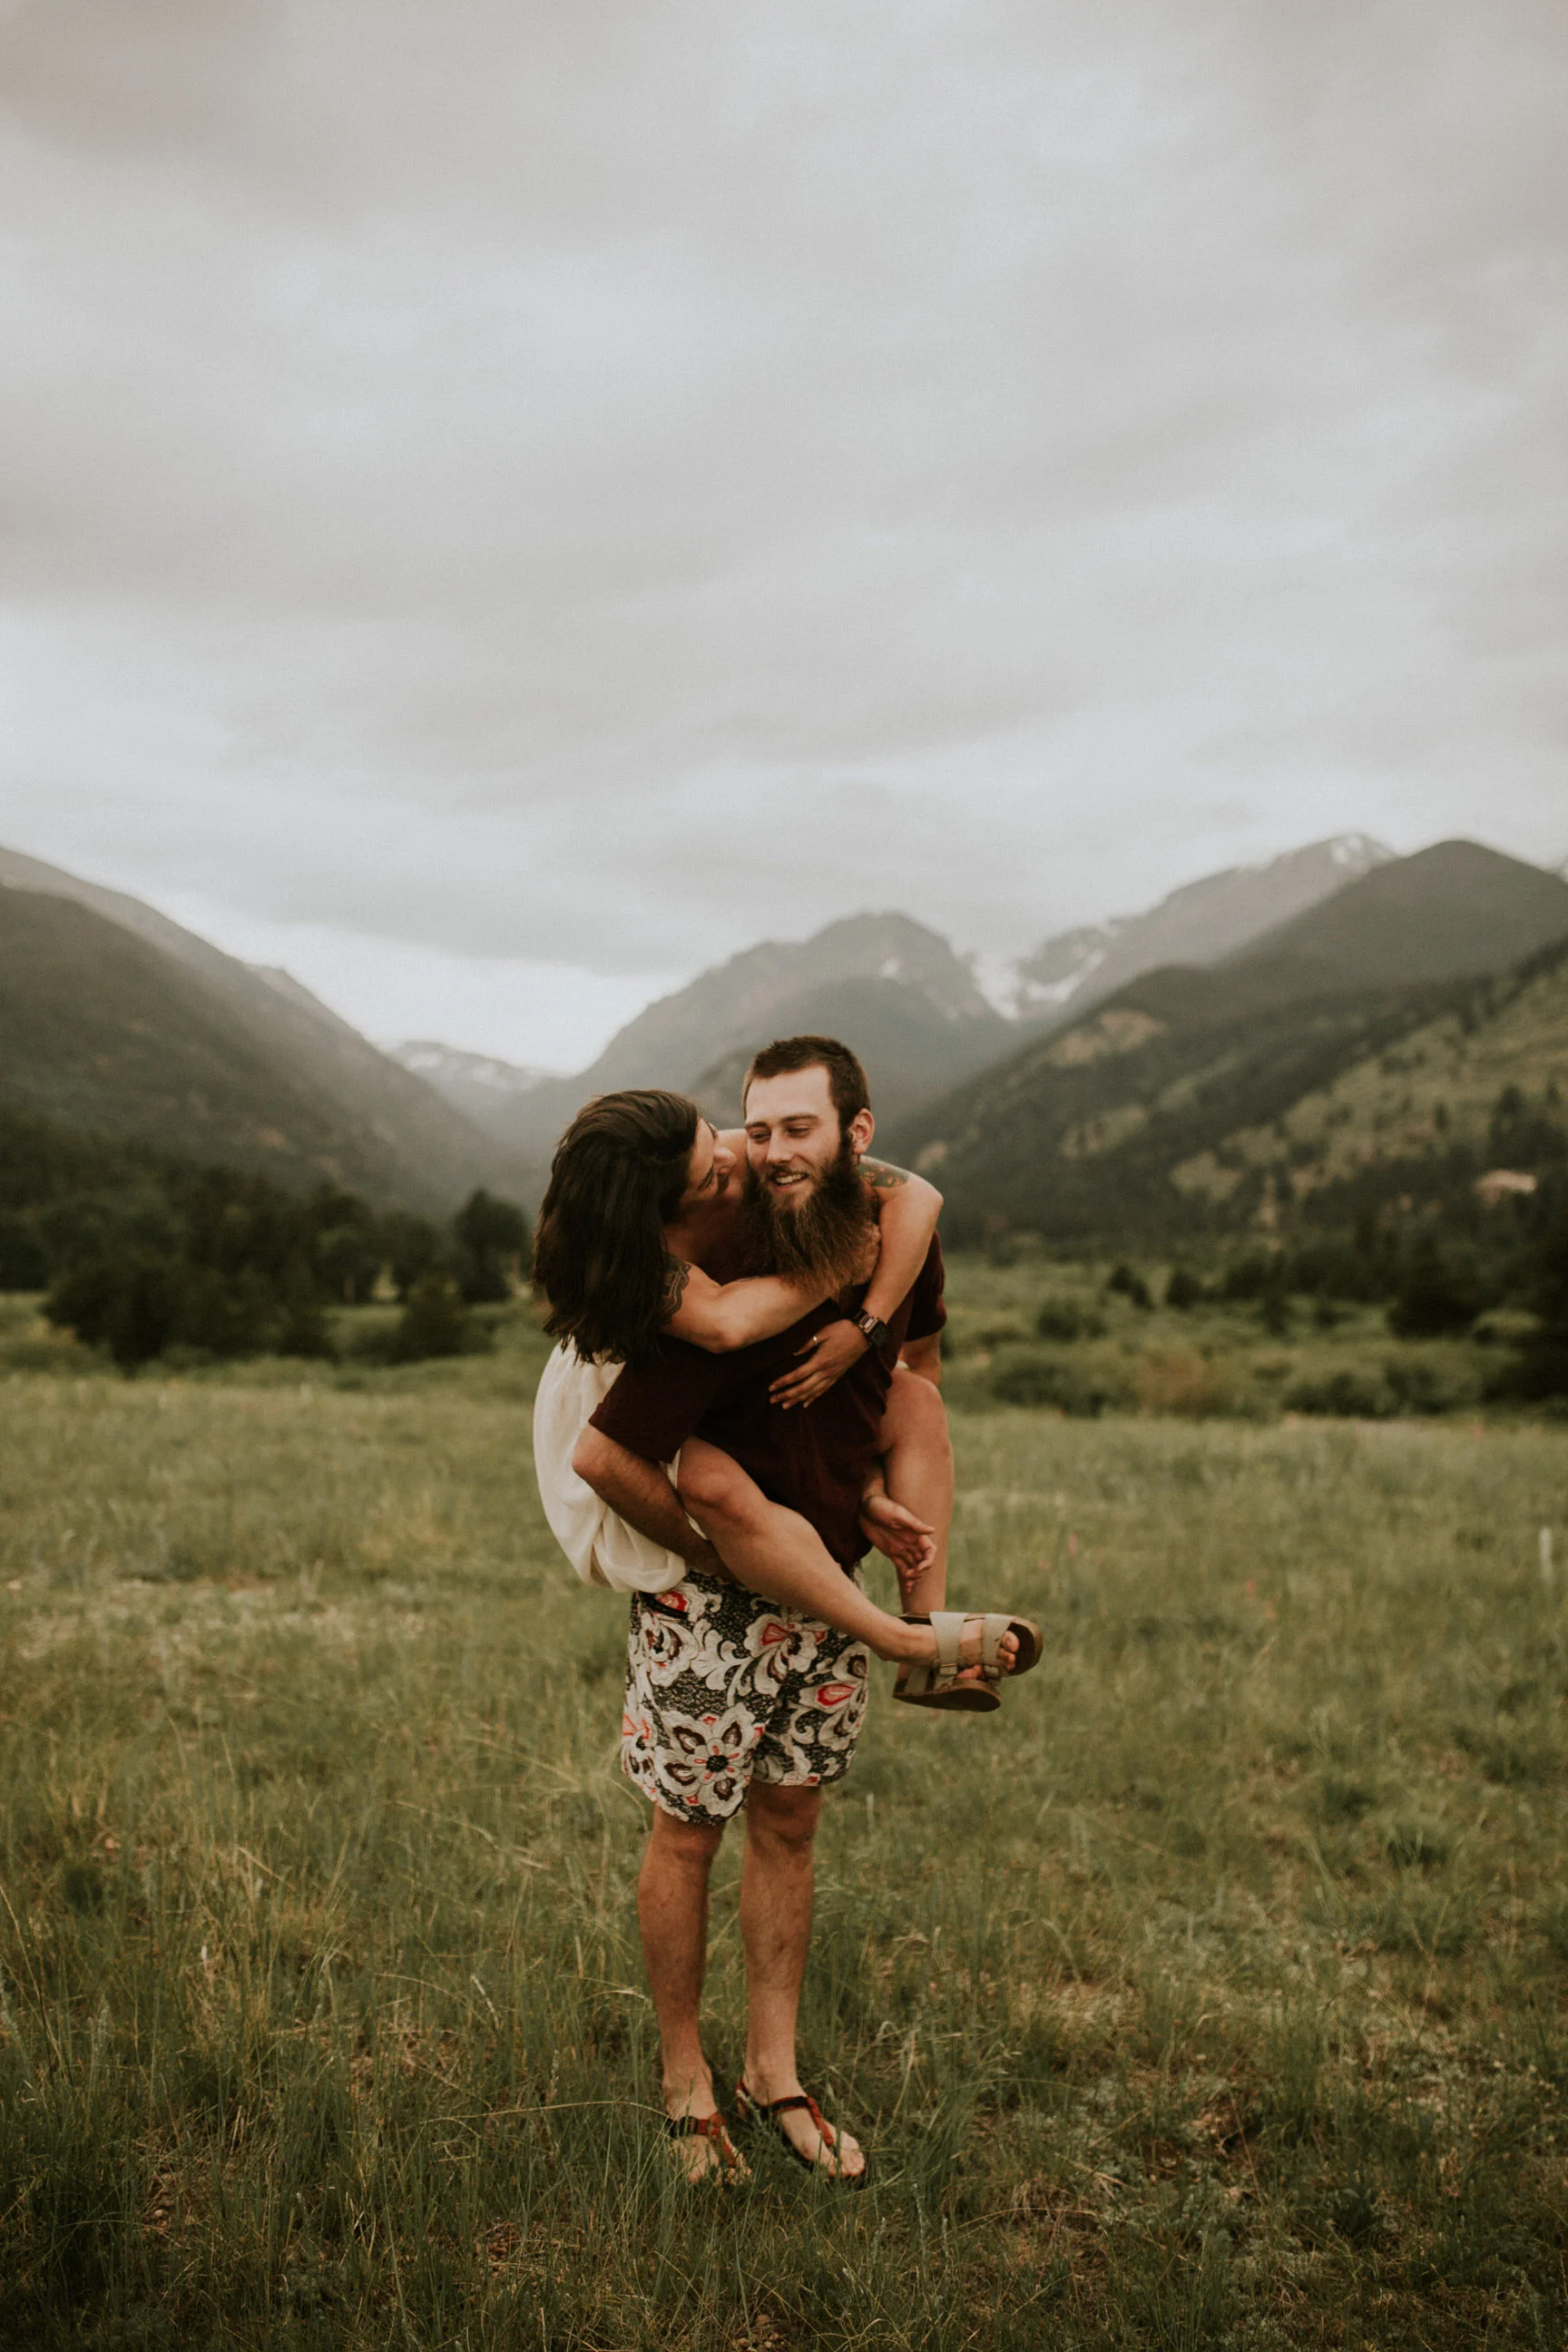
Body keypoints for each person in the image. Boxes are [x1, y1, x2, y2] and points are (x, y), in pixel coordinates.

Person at [570, 1036, 1040, 2182]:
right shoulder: (737, 1273)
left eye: (799, 1129)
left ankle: (771, 2073)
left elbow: (908, 1380)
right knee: (687, 1834)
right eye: (758, 1129)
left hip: (830, 1582)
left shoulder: (887, 1243)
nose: (772, 1152)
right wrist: (705, 1558)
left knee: (791, 1827)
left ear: (854, 1137)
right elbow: (605, 1452)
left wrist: (873, 1483)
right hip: (716, 1603)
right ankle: (688, 2086)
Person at [532, 1086, 960, 1663]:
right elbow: (726, 1325)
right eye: (710, 1178)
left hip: (735, 1385)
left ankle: (924, 1626)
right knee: (715, 1484)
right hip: (632, 1392)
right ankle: (895, 1638)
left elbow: (917, 1195)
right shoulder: (636, 1266)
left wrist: (864, 1325)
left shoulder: (728, 1155)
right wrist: (837, 1266)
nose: (734, 1161)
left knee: (904, 1400)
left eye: (715, 1134)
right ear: (659, 1217)